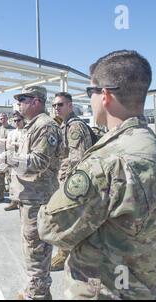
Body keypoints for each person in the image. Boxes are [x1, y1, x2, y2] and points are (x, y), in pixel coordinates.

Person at [38, 50, 156, 300]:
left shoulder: (106, 161)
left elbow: (51, 228)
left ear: (104, 95)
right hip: (147, 289)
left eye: (90, 92)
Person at [0, 86, 63, 300]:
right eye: (18, 99)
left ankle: (37, 294)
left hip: (38, 197)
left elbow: (39, 162)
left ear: (36, 101)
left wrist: (9, 158)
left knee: (36, 248)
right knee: (31, 246)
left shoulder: (45, 126)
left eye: (22, 99)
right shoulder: (33, 125)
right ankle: (35, 289)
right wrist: (8, 158)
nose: (18, 103)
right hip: (30, 195)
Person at [49, 92, 95, 272]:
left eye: (60, 104)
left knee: (66, 217)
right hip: (67, 179)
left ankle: (64, 254)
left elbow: (77, 160)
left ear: (70, 105)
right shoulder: (65, 125)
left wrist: (68, 188)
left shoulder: (74, 127)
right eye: (54, 105)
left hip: (72, 183)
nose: (56, 108)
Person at [3, 111, 25, 212]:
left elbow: (25, 146)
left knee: (23, 182)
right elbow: (8, 145)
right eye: (15, 120)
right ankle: (13, 201)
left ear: (23, 120)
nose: (16, 122)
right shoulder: (11, 133)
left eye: (18, 120)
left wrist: (15, 144)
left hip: (23, 161)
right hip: (12, 159)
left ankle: (22, 201)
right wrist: (16, 144)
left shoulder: (27, 132)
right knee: (11, 181)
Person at [0, 113, 14, 202]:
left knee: (10, 178)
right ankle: (0, 195)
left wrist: (2, 141)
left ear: (7, 118)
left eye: (4, 118)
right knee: (0, 176)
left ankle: (13, 198)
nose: (3, 119)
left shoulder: (12, 130)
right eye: (1, 118)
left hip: (10, 156)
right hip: (0, 156)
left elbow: (13, 142)